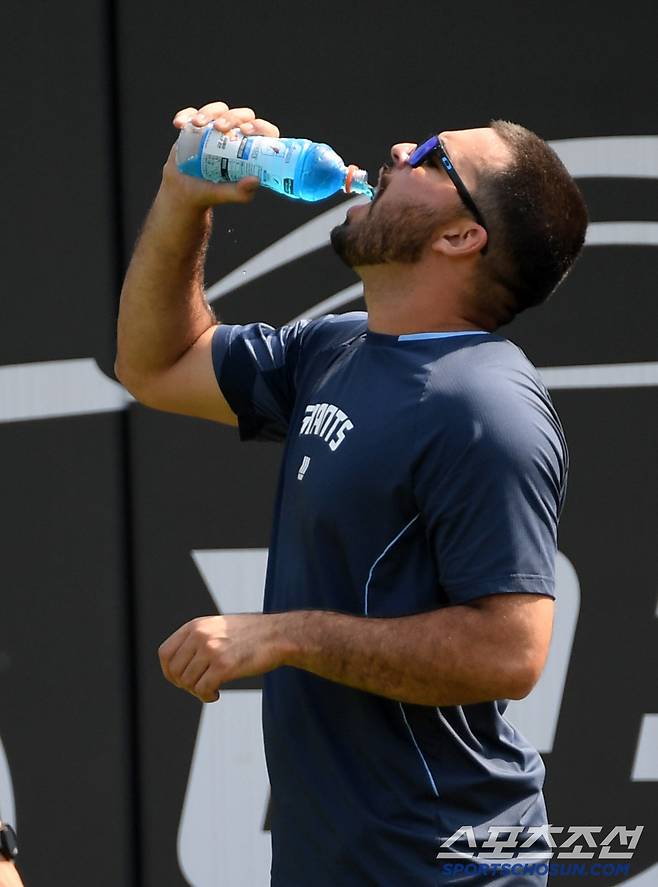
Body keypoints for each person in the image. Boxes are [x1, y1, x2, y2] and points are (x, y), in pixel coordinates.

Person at [116, 101, 587, 886]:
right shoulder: (338, 346)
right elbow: (156, 364)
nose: (402, 145)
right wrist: (183, 198)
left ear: (460, 236)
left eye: (436, 157)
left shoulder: (485, 406)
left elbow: (511, 650)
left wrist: (285, 635)